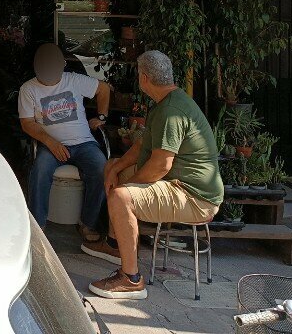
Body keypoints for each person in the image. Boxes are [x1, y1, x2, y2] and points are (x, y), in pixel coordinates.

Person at [88, 50, 224, 300]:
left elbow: (161, 166)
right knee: (113, 168)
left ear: (144, 78)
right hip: (179, 184)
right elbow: (142, 146)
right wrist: (116, 168)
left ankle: (131, 279)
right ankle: (114, 244)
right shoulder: (165, 104)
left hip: (194, 196)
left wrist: (126, 187)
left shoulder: (171, 110)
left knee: (120, 197)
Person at [19, 43, 113, 256]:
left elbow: (103, 89)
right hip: (50, 145)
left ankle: (88, 222)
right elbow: (27, 123)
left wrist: (101, 117)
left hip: (84, 143)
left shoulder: (74, 80)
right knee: (40, 172)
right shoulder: (29, 89)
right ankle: (38, 225)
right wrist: (51, 143)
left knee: (101, 168)